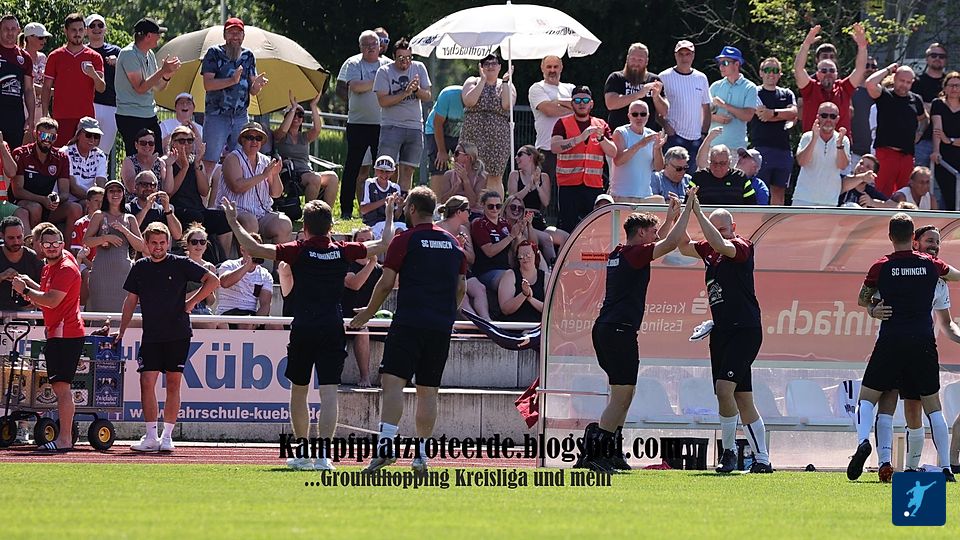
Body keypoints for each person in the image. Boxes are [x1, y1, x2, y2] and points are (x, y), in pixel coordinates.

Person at [223, 194, 394, 470]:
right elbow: (384, 243)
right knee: (329, 393)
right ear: (331, 227)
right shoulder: (343, 250)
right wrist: (388, 215)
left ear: (304, 228)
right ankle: (323, 457)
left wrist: (233, 221)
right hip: (332, 327)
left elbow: (253, 246)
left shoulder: (297, 250)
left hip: (303, 327)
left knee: (299, 392)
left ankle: (302, 454)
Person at [349, 186, 466, 474]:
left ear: (412, 209)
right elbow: (461, 287)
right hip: (439, 327)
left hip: (409, 322)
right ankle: (421, 456)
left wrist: (367, 313)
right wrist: (446, 314)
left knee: (393, 383)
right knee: (428, 391)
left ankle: (386, 447)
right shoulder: (453, 244)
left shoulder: (405, 240)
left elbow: (386, 282)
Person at [576, 194, 693, 472]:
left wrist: (669, 219)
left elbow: (660, 240)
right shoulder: (635, 254)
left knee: (624, 393)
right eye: (651, 232)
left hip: (610, 330)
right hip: (618, 331)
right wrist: (686, 211)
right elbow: (669, 243)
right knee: (621, 394)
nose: (654, 236)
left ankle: (612, 451)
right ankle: (596, 454)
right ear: (640, 233)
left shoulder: (621, 252)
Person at [847, 213, 960, 482]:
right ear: (913, 237)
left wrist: (872, 309)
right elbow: (955, 276)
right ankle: (946, 467)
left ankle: (865, 443)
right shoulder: (932, 266)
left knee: (869, 399)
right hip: (922, 342)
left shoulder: (881, 266)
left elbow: (862, 299)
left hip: (891, 340)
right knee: (933, 407)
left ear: (890, 237)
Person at [677, 197, 773, 474]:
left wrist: (698, 213)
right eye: (715, 228)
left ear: (733, 227)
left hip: (745, 330)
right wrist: (680, 214)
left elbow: (721, 245)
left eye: (723, 228)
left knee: (724, 389)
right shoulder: (709, 248)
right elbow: (683, 245)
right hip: (722, 330)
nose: (719, 233)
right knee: (742, 397)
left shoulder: (742, 246)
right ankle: (763, 460)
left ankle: (728, 452)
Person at [118, 221, 218, 452]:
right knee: (146, 382)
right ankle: (151, 436)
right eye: (154, 242)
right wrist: (121, 329)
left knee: (173, 383)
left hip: (178, 333)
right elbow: (130, 300)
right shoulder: (140, 267)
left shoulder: (180, 263)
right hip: (151, 335)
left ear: (168, 243)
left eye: (162, 242)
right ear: (146, 243)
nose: (158, 246)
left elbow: (213, 280)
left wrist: (191, 303)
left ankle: (167, 436)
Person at [11, 222, 83, 451]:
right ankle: (65, 438)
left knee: (62, 388)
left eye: (55, 243)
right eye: (47, 244)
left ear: (62, 244)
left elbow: (51, 300)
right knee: (60, 387)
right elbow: (45, 296)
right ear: (40, 246)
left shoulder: (65, 268)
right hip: (57, 332)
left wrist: (25, 289)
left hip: (66, 333)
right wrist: (29, 285)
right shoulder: (49, 267)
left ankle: (65, 439)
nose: (52, 247)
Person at [336, 30, 392, 219]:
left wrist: (370, 83)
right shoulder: (353, 63)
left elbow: (389, 89)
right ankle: (346, 209)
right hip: (358, 123)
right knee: (352, 168)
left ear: (380, 46)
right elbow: (355, 87)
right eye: (366, 45)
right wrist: (378, 81)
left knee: (383, 168)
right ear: (360, 47)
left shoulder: (388, 64)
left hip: (382, 124)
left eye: (374, 44)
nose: (370, 48)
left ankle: (382, 208)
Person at [201, 18, 268, 172]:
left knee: (242, 160)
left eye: (238, 33)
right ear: (224, 35)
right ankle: (206, 187)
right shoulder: (214, 53)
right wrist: (232, 80)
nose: (235, 36)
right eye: (231, 32)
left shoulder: (248, 56)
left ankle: (237, 187)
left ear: (243, 36)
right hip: (217, 115)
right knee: (210, 160)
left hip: (240, 117)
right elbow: (208, 84)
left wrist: (257, 86)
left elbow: (252, 90)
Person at [550, 85, 615, 232]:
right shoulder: (562, 123)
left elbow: (613, 152)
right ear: (572, 103)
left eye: (585, 100)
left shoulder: (601, 124)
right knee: (568, 227)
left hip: (593, 185)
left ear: (591, 103)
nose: (581, 104)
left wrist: (601, 138)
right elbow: (554, 147)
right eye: (577, 100)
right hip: (569, 185)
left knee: (593, 227)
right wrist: (580, 138)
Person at [115, 18, 179, 157]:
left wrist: (167, 75)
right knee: (136, 159)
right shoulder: (128, 54)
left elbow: (158, 87)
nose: (160, 37)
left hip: (149, 115)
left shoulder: (150, 54)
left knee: (157, 158)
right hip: (130, 116)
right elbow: (140, 88)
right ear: (149, 36)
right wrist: (162, 71)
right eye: (158, 33)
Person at [374, 38, 431, 193]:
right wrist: (405, 93)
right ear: (394, 57)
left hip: (414, 126)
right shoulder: (384, 72)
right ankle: (384, 202)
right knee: (386, 170)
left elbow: (427, 96)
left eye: (408, 58)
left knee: (408, 170)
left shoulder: (419, 67)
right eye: (401, 58)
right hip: (391, 126)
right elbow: (383, 101)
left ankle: (402, 202)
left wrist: (416, 90)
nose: (405, 61)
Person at [793, 24, 868, 138]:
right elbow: (798, 69)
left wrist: (862, 47)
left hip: (840, 144)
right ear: (817, 74)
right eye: (824, 70)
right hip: (813, 143)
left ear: (836, 74)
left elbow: (860, 69)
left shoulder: (844, 88)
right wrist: (806, 44)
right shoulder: (810, 88)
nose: (828, 73)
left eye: (832, 70)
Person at [41, 13, 104, 147]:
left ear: (85, 31)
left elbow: (101, 88)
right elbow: (46, 87)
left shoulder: (95, 57)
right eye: (73, 30)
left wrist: (93, 74)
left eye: (80, 30)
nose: (77, 34)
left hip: (86, 120)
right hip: (60, 117)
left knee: (84, 156)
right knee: (58, 154)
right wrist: (45, 114)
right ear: (66, 31)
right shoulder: (55, 56)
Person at [220, 122, 290, 244]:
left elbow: (276, 193)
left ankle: (278, 258)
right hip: (236, 211)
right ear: (242, 140)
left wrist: (275, 175)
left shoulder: (266, 160)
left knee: (284, 224)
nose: (254, 141)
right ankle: (249, 257)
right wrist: (263, 176)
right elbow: (237, 187)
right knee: (250, 222)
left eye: (258, 138)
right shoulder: (233, 158)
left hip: (262, 213)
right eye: (250, 137)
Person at [83, 179, 145, 313]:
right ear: (106, 195)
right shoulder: (99, 215)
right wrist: (105, 238)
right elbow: (87, 240)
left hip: (123, 272)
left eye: (118, 191)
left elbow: (140, 246)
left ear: (123, 194)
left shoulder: (130, 218)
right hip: (101, 271)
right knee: (99, 312)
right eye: (111, 191)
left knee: (121, 313)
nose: (115, 194)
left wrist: (124, 230)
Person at [866, 64, 927, 197]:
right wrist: (888, 69)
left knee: (905, 195)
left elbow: (923, 119)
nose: (904, 85)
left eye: (908, 82)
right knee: (881, 195)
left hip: (907, 156)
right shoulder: (885, 95)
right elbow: (870, 83)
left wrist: (920, 132)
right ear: (894, 78)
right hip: (886, 153)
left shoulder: (916, 99)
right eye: (901, 80)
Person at [460, 54, 515, 195]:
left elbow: (507, 105)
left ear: (499, 67)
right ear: (481, 67)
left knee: (495, 177)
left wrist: (505, 82)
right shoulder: (472, 81)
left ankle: (495, 206)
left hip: (497, 138)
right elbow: (469, 101)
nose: (490, 66)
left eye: (494, 63)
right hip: (472, 136)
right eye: (486, 64)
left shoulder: (507, 85)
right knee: (470, 173)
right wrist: (483, 81)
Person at [12, 118, 82, 229]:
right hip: (24, 203)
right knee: (36, 208)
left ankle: (68, 241)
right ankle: (35, 240)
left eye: (51, 137)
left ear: (56, 138)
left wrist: (57, 200)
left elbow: (64, 192)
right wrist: (42, 200)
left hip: (49, 205)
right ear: (35, 134)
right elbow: (17, 191)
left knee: (75, 208)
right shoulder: (21, 154)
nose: (47, 140)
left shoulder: (61, 157)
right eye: (43, 135)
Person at [273, 92, 338, 209]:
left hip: (307, 172)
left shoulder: (304, 136)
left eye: (300, 115)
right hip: (290, 175)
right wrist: (293, 108)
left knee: (332, 177)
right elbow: (282, 130)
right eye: (294, 114)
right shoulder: (281, 136)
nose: (297, 117)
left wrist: (313, 106)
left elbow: (317, 129)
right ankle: (310, 214)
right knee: (315, 178)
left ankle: (326, 215)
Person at [163, 125, 228, 241]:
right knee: (195, 217)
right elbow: (169, 192)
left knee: (223, 218)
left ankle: (223, 253)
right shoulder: (167, 161)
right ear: (173, 143)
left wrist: (197, 164)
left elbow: (204, 191)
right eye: (182, 141)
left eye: (190, 140)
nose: (186, 144)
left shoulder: (196, 161)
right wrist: (184, 168)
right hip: (176, 209)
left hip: (197, 207)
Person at [659, 40, 711, 174]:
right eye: (681, 54)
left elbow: (706, 108)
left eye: (688, 54)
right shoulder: (664, 77)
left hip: (696, 139)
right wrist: (666, 127)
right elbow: (657, 106)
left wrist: (704, 134)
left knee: (691, 178)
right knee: (671, 175)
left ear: (693, 55)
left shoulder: (701, 78)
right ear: (675, 55)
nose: (684, 58)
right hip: (674, 136)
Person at [750, 57, 798, 205]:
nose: (771, 74)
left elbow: (793, 113)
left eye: (775, 70)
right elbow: (762, 116)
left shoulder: (787, 93)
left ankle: (775, 220)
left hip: (783, 149)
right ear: (761, 73)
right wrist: (781, 116)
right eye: (767, 70)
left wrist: (773, 113)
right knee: (760, 190)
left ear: (780, 74)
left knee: (779, 192)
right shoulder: (754, 92)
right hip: (760, 148)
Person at [436, 195, 490, 320]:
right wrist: (456, 246)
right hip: (444, 271)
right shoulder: (438, 228)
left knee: (480, 288)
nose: (470, 214)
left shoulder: (463, 229)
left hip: (461, 269)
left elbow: (471, 258)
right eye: (468, 211)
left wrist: (460, 248)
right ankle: (475, 323)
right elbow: (437, 256)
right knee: (462, 294)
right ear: (459, 212)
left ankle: (486, 321)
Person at [341, 227, 381, 388]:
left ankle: (386, 375)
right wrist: (372, 263)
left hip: (369, 316)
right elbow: (354, 284)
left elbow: (396, 283)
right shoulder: (345, 264)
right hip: (345, 316)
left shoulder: (378, 269)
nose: (365, 245)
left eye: (369, 241)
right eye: (361, 241)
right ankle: (365, 377)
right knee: (363, 330)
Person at [792, 102, 851, 206]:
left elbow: (842, 166)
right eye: (824, 115)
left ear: (837, 119)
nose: (828, 119)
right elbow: (802, 162)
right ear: (818, 117)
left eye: (832, 116)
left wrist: (839, 145)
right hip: (803, 198)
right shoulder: (807, 137)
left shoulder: (843, 140)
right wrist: (814, 139)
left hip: (830, 201)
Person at [528, 55, 574, 183]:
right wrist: (571, 109)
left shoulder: (570, 88)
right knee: (546, 191)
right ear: (542, 68)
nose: (552, 70)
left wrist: (557, 102)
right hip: (546, 150)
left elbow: (582, 107)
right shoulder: (537, 88)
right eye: (549, 67)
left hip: (570, 148)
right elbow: (549, 110)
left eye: (555, 66)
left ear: (561, 68)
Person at [610, 100, 666, 202]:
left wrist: (657, 149)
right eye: (635, 114)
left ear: (648, 116)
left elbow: (658, 168)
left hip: (645, 196)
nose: (639, 117)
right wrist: (640, 144)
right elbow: (618, 161)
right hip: (622, 195)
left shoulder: (652, 135)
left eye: (643, 114)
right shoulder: (621, 132)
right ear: (629, 116)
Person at [604, 43, 667, 131]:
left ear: (646, 61)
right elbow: (610, 104)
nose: (636, 63)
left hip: (647, 134)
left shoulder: (654, 80)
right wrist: (638, 94)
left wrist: (656, 97)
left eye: (640, 60)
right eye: (633, 59)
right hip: (619, 134)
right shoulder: (616, 77)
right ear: (627, 59)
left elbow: (664, 112)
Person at [215, 235, 274, 329]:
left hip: (251, 314)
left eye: (258, 249)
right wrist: (247, 266)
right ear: (242, 250)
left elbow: (265, 304)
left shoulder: (265, 274)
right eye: (252, 249)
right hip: (227, 313)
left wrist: (256, 322)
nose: (255, 253)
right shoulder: (229, 265)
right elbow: (225, 283)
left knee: (276, 326)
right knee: (246, 323)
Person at [708, 46, 757, 151]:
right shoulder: (715, 86)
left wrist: (724, 105)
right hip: (713, 145)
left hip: (736, 147)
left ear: (737, 64)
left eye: (725, 63)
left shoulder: (750, 87)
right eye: (719, 63)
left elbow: (748, 116)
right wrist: (715, 118)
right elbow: (702, 114)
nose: (721, 67)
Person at [84, 14, 120, 156]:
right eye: (92, 25)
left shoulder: (116, 52)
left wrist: (118, 63)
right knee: (84, 147)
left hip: (111, 106)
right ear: (86, 30)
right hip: (88, 104)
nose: (96, 28)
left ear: (105, 29)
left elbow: (129, 76)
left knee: (103, 152)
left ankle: (101, 171)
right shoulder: (82, 51)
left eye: (100, 25)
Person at [471, 190, 519, 293]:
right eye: (490, 206)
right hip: (487, 271)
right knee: (509, 278)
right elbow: (490, 251)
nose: (495, 209)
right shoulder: (479, 224)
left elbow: (513, 249)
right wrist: (511, 237)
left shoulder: (504, 223)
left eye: (498, 206)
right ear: (483, 205)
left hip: (505, 268)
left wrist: (519, 234)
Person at [690, 134, 757, 205]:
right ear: (709, 162)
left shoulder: (740, 177)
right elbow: (688, 204)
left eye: (722, 163)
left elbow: (751, 205)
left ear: (729, 162)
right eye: (714, 163)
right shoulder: (699, 178)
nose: (718, 167)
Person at [0, 15, 35, 149]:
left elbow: (28, 89)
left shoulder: (24, 57)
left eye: (13, 29)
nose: (10, 33)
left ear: (19, 31)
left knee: (14, 154)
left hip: (15, 116)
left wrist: (31, 117)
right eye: (6, 29)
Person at [912, 43, 949, 168]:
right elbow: (914, 107)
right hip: (922, 139)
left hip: (947, 140)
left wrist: (928, 105)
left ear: (946, 60)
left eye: (941, 56)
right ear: (927, 58)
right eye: (934, 55)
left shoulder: (950, 83)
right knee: (918, 176)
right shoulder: (916, 82)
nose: (937, 58)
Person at [425, 84, 465, 194]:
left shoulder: (479, 99)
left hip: (460, 135)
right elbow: (437, 124)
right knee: (439, 166)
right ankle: (436, 202)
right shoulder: (448, 94)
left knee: (464, 167)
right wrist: (442, 151)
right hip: (435, 130)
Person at [497, 241, 549, 323]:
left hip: (538, 326)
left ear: (535, 255)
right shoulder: (510, 275)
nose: (524, 258)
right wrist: (523, 294)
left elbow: (551, 310)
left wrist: (530, 299)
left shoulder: (546, 277)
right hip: (515, 326)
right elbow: (505, 310)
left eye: (528, 255)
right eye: (521, 256)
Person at [126, 170, 183, 241]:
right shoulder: (128, 208)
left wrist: (167, 210)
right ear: (136, 187)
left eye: (153, 185)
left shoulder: (162, 210)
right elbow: (129, 232)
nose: (149, 188)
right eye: (144, 184)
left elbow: (177, 235)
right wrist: (146, 209)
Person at [931, 70, 960, 210]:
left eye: (958, 85)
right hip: (944, 156)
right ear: (945, 87)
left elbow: (946, 138)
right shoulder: (938, 104)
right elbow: (937, 129)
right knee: (949, 195)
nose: (954, 89)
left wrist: (949, 140)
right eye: (951, 85)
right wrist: (936, 151)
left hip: (957, 152)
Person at [359, 155, 406, 239]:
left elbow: (395, 217)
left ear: (392, 172)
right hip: (374, 223)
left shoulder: (395, 188)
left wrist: (400, 206)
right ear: (375, 170)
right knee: (395, 232)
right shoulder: (370, 184)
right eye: (381, 171)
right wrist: (385, 200)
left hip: (391, 222)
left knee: (403, 230)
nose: (384, 174)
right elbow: (363, 210)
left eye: (387, 171)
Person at [181, 223, 217, 328]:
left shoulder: (210, 267)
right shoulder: (181, 265)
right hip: (185, 309)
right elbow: (178, 297)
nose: (198, 245)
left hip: (203, 309)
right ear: (187, 244)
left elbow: (210, 302)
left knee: (223, 325)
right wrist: (205, 289)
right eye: (194, 242)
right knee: (209, 325)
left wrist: (209, 291)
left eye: (202, 242)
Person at [64, 117, 107, 202]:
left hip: (90, 200)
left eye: (96, 136)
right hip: (69, 201)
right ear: (78, 135)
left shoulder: (100, 155)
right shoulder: (66, 153)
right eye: (88, 135)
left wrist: (97, 201)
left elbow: (101, 185)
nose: (92, 140)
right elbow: (73, 188)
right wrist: (93, 200)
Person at [437, 142, 486, 217]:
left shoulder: (480, 177)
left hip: (472, 213)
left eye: (457, 153)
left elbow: (472, 203)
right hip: (453, 214)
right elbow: (443, 201)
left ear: (467, 157)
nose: (453, 156)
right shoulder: (448, 175)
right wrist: (456, 186)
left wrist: (465, 180)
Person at [507, 145, 551, 224]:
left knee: (559, 233)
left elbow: (546, 202)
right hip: (518, 218)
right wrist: (529, 186)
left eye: (520, 154)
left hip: (536, 218)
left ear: (530, 157)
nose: (516, 158)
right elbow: (512, 200)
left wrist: (537, 184)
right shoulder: (514, 175)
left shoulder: (544, 177)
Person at [120, 128, 169, 193]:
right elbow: (131, 188)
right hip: (134, 199)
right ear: (136, 145)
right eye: (143, 143)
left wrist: (169, 165)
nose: (147, 146)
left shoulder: (160, 162)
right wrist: (148, 166)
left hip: (156, 199)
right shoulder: (129, 161)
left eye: (151, 143)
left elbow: (167, 190)